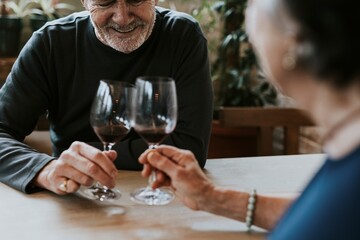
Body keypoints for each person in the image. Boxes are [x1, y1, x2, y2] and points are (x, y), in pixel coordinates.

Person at [139, 0, 360, 239]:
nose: (248, 15)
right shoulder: (346, 147)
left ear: (295, 42)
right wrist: (210, 196)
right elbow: (321, 216)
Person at [0, 0, 213, 195]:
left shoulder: (183, 35)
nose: (122, 17)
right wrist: (45, 169)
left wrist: (85, 156)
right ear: (84, 2)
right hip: (76, 196)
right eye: (104, 2)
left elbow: (189, 147)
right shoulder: (50, 43)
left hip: (164, 196)